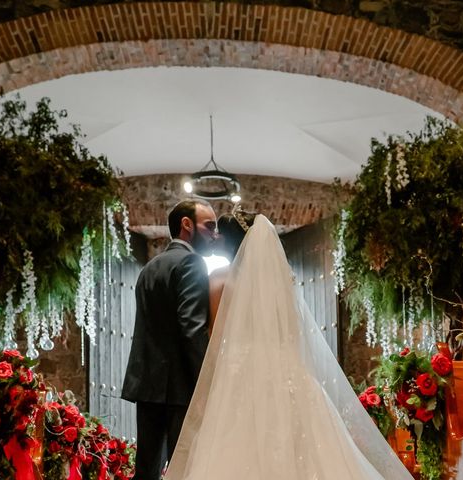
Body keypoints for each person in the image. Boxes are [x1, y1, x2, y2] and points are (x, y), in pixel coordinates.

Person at [165, 211, 413, 480]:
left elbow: (214, 336)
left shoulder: (220, 279)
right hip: (285, 368)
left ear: (232, 241)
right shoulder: (281, 280)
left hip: (241, 371)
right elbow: (292, 332)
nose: (215, 238)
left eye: (219, 235)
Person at [122, 199, 217, 480]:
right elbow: (192, 328)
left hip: (147, 386)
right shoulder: (192, 263)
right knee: (183, 469)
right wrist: (207, 381)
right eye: (209, 226)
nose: (214, 234)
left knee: (146, 471)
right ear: (186, 225)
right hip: (178, 388)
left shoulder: (150, 267)